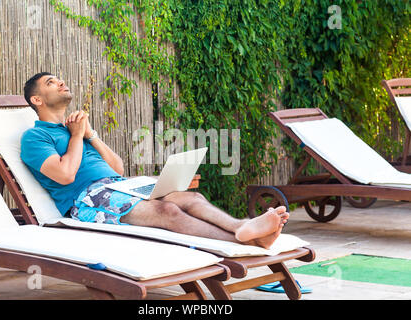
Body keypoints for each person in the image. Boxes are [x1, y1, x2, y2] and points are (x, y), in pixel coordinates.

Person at [21, 72, 289, 249]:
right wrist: (78, 136)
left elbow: (117, 169)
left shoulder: (78, 131)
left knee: (191, 198)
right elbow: (66, 175)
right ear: (37, 99)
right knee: (168, 212)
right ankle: (247, 245)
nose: (60, 82)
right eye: (51, 82)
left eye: (59, 79)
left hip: (119, 185)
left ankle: (242, 227)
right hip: (86, 199)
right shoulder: (35, 137)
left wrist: (91, 135)